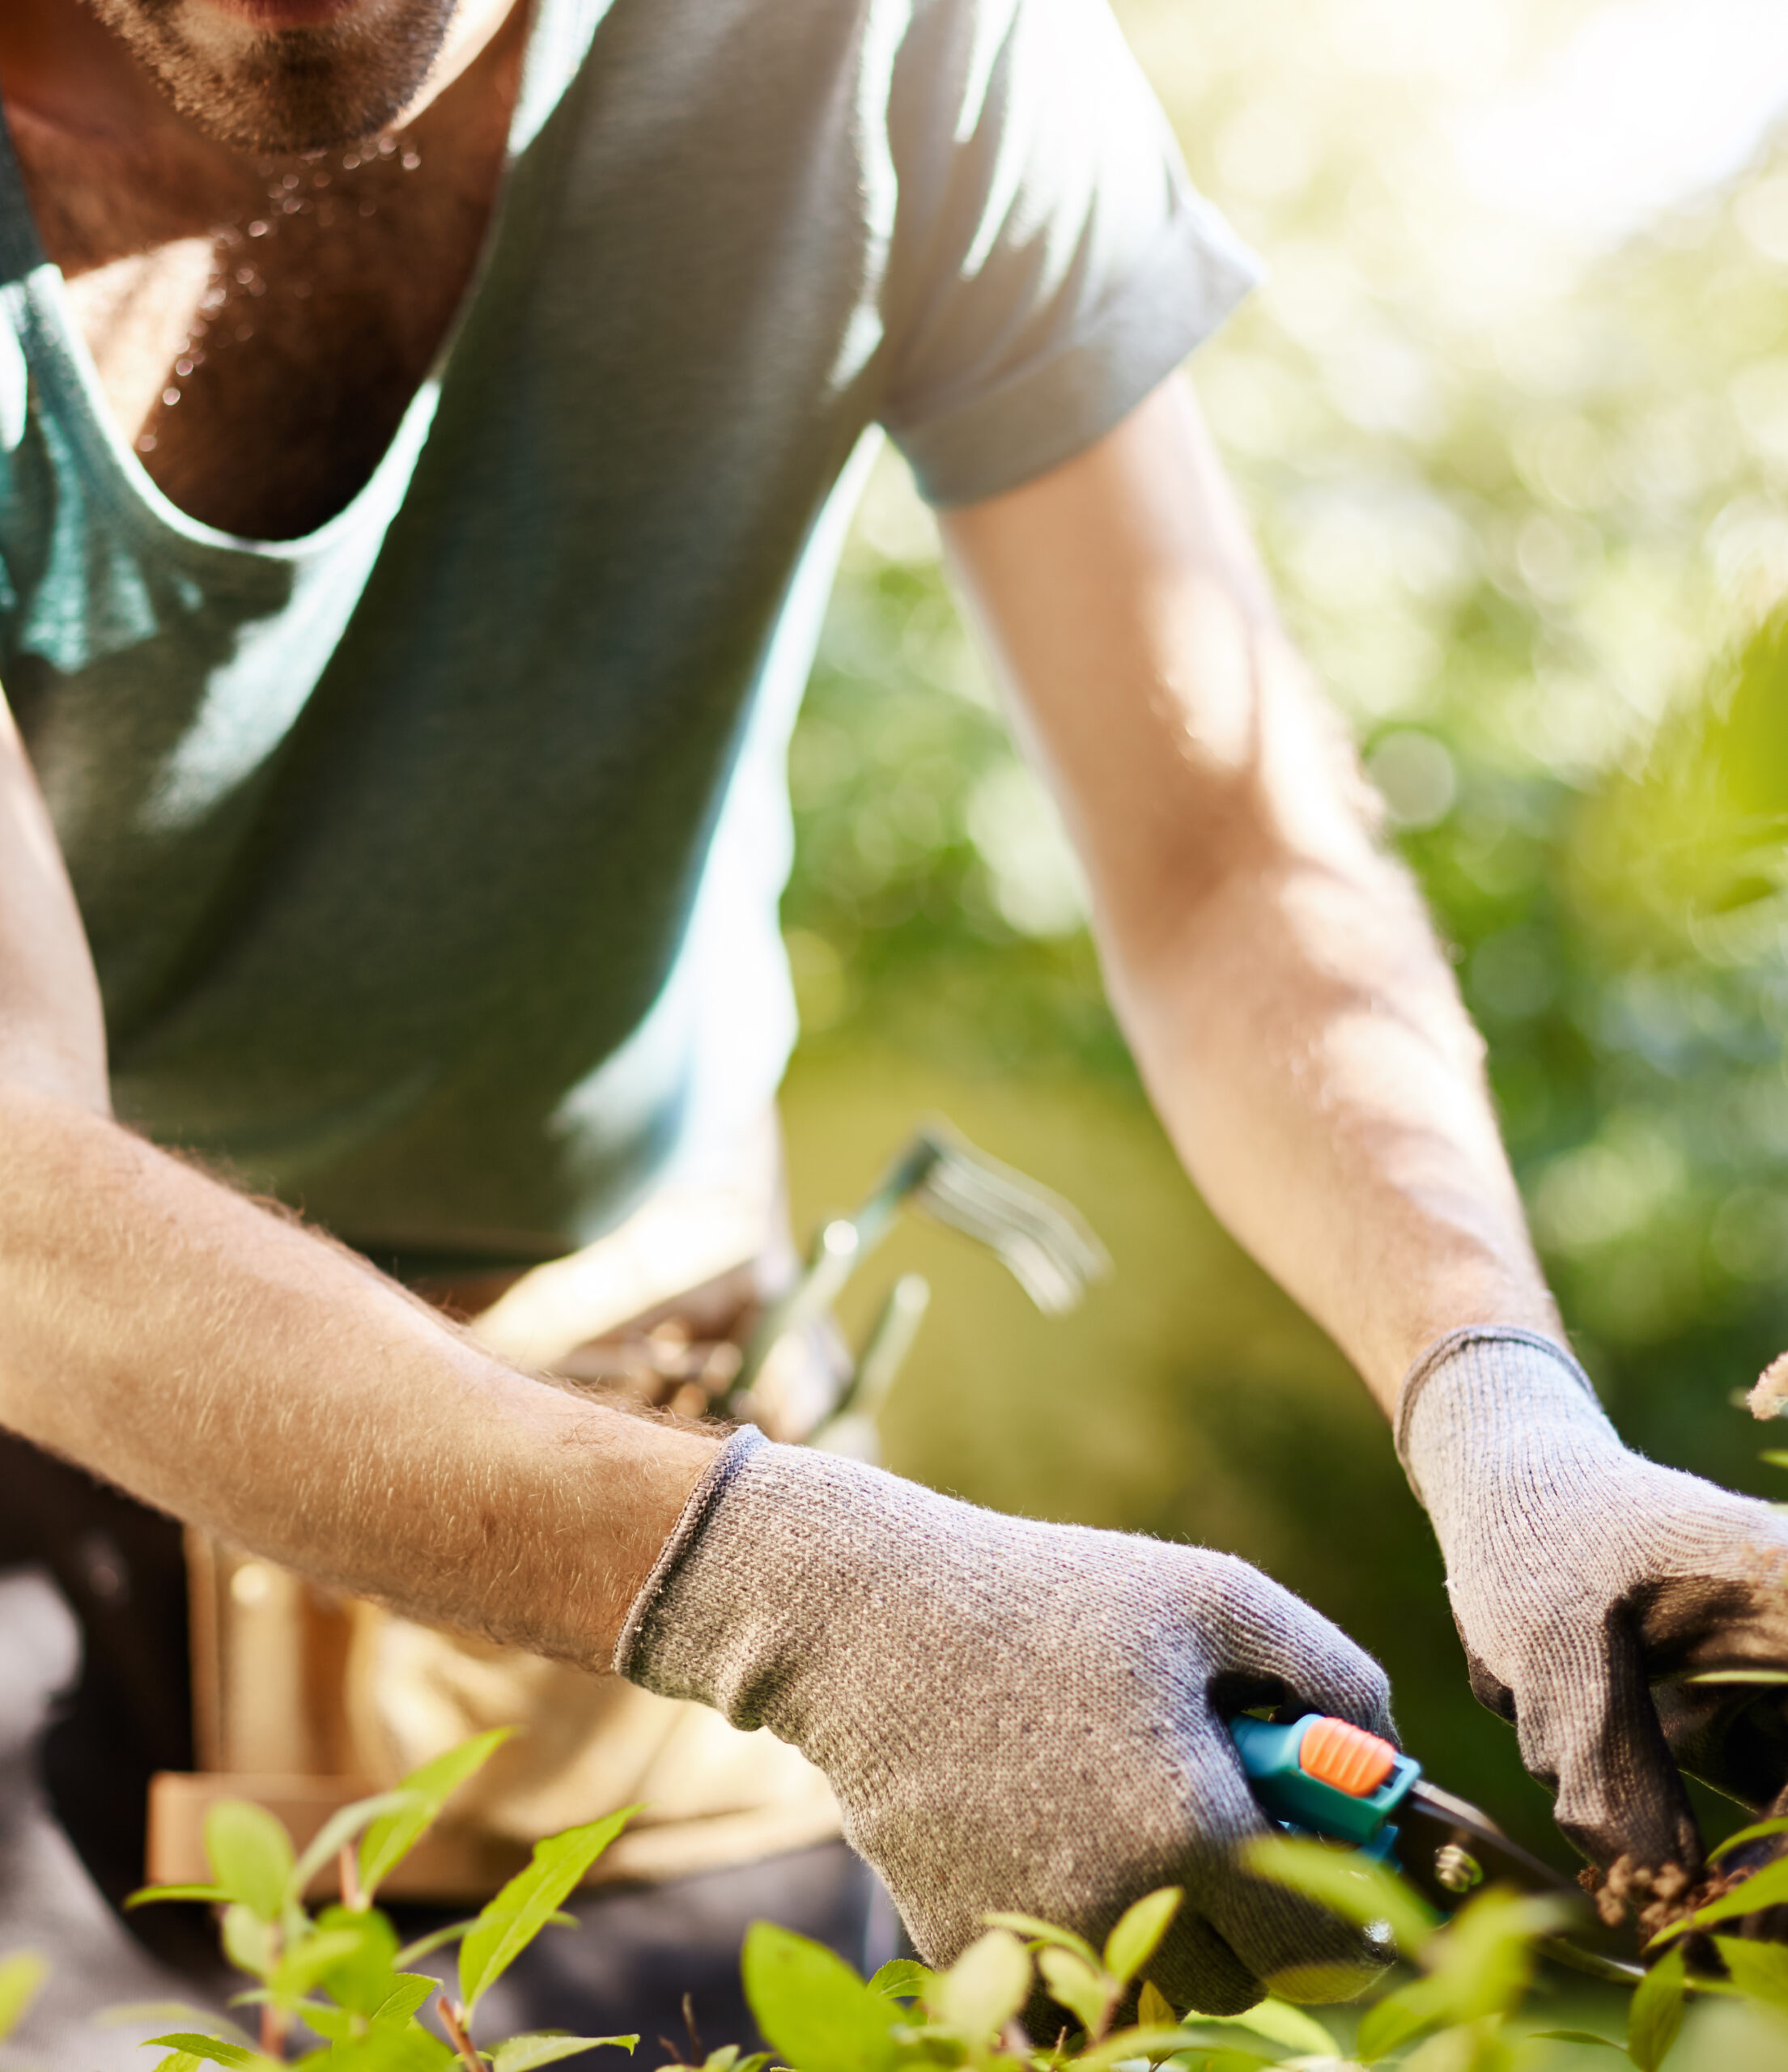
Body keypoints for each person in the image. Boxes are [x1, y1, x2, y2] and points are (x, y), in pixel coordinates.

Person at [0, 0, 1786, 2057]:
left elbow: (1218, 836)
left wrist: (1499, 1402)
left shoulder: (872, 37)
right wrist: (797, 1593)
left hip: (624, 1404)